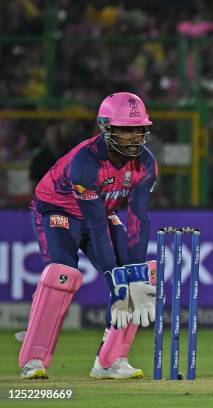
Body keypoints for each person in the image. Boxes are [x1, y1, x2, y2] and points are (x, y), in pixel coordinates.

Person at [19, 92, 158, 380]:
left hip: (102, 211)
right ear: (106, 128)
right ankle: (34, 359)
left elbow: (139, 218)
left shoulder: (146, 164)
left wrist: (134, 275)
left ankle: (110, 360)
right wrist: (116, 282)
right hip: (58, 211)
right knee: (62, 275)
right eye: (124, 130)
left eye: (137, 129)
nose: (133, 137)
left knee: (136, 277)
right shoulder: (86, 161)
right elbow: (95, 224)